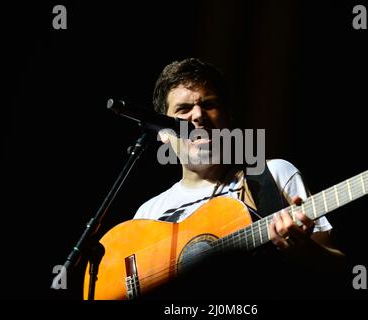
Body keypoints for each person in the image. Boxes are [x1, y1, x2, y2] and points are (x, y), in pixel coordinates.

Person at [133, 58, 347, 299]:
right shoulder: (149, 213)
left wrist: (304, 251)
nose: (198, 116)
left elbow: (339, 270)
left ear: (228, 118)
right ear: (163, 133)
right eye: (183, 110)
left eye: (209, 104)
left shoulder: (273, 175)